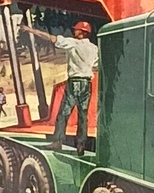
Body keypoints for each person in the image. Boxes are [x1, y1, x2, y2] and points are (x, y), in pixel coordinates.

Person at [19, 19, 98, 155]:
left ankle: (57, 141)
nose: (74, 31)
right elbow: (96, 65)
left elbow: (51, 38)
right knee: (83, 115)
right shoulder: (94, 48)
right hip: (86, 83)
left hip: (74, 82)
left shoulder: (73, 43)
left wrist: (31, 30)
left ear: (82, 33)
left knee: (63, 113)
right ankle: (81, 145)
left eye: (76, 30)